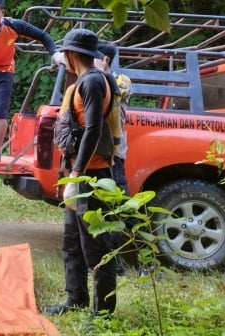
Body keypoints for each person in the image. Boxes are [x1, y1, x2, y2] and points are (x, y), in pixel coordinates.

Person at [42, 29, 117, 317]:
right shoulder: (84, 81)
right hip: (79, 176)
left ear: (72, 55)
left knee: (96, 246)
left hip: (91, 178)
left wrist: (76, 173)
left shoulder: (93, 82)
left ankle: (104, 313)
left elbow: (93, 130)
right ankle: (76, 299)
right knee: (72, 242)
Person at [0, 0, 62, 162]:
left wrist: (55, 53)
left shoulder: (14, 25)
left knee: (0, 112)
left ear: (2, 13)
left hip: (5, 72)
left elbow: (42, 35)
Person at [95, 39, 133, 276]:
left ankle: (121, 259)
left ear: (106, 60)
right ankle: (108, 259)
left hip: (114, 155)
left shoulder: (121, 81)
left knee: (118, 205)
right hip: (98, 153)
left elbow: (113, 97)